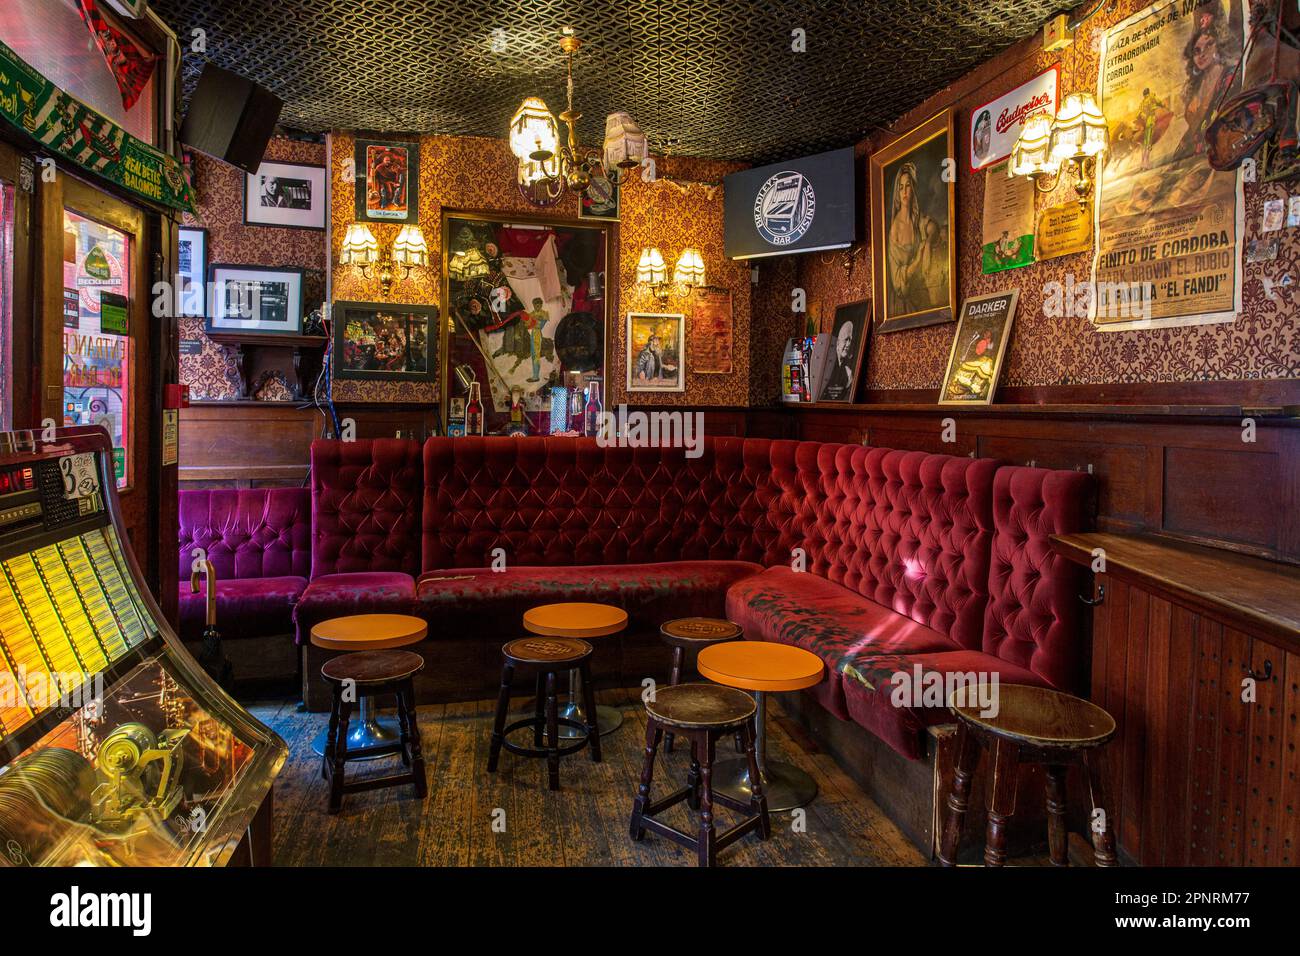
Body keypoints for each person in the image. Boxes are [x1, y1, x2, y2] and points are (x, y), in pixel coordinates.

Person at [887, 162, 948, 317]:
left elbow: (930, 225)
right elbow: (898, 282)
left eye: (908, 186)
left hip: (919, 293)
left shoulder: (915, 218)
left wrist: (927, 243)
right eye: (901, 187)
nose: (904, 192)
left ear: (913, 189)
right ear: (897, 192)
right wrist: (918, 260)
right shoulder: (896, 228)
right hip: (905, 304)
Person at [818, 320, 856, 400]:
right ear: (838, 342)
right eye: (846, 339)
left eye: (850, 340)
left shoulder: (848, 370)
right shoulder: (827, 363)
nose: (848, 344)